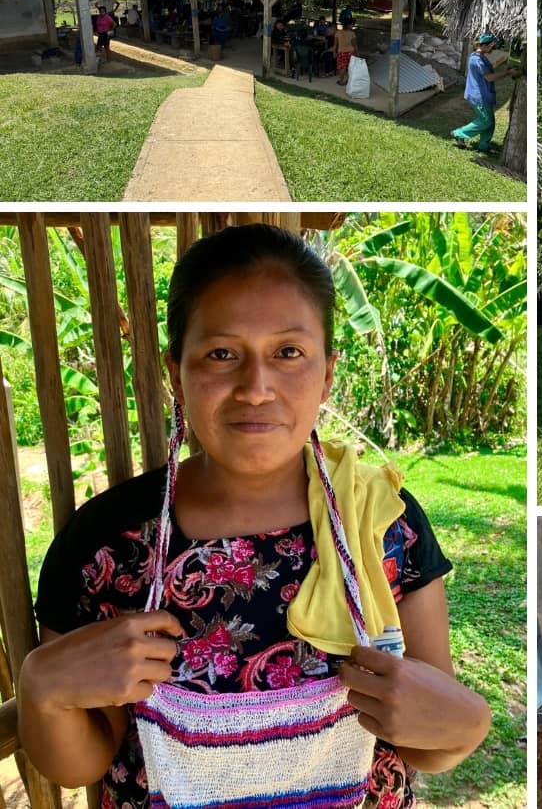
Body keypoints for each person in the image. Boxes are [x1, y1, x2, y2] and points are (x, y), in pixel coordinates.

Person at [19, 224, 491, 805]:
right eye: (222, 354)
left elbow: (425, 737)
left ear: (327, 374)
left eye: (288, 352)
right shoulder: (105, 546)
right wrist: (42, 687)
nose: (256, 387)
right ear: (176, 374)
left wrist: (465, 726)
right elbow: (80, 762)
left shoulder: (384, 522)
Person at [452, 33, 520, 154]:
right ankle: (459, 133)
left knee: (490, 122)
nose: (493, 49)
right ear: (485, 46)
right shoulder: (476, 59)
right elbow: (489, 77)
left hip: (484, 94)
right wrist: (507, 73)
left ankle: (484, 145)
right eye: (491, 47)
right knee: (486, 121)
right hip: (479, 96)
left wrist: (503, 64)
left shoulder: (481, 56)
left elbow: (488, 69)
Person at [334, 21, 359, 85]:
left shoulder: (338, 33)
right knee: (350, 67)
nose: (352, 26)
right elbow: (355, 44)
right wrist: (357, 53)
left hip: (341, 52)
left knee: (342, 67)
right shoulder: (352, 33)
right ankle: (349, 81)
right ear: (348, 25)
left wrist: (334, 52)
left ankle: (341, 81)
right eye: (351, 24)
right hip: (351, 52)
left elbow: (335, 45)